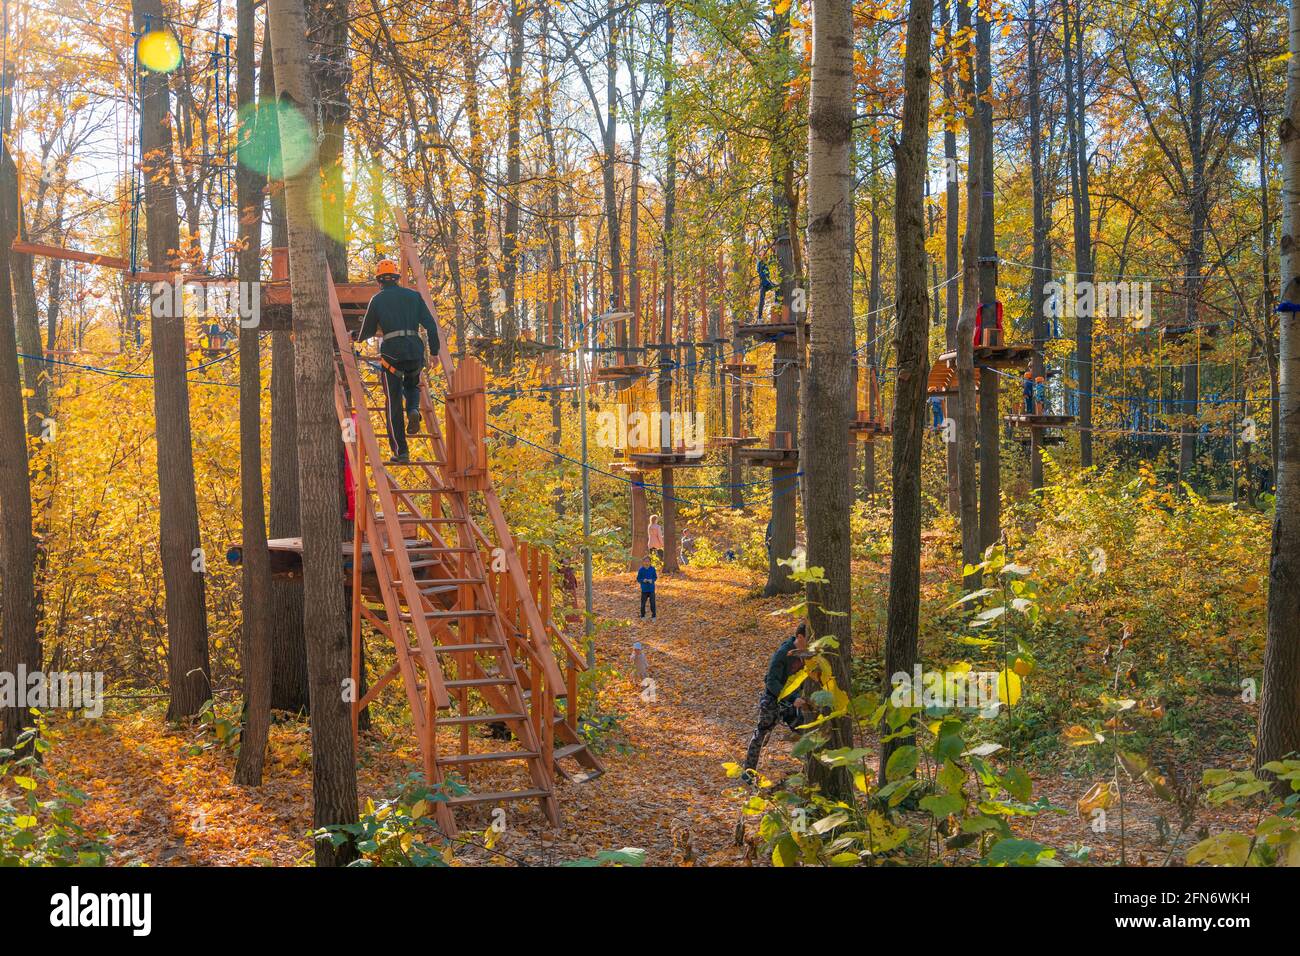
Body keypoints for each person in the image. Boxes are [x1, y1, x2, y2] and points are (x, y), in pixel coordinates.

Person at [355, 258, 440, 464]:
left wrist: (353, 336)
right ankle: (413, 409)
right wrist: (434, 352)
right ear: (397, 278)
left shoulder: (378, 300)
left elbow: (366, 331)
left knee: (393, 404)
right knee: (412, 385)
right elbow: (431, 325)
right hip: (415, 351)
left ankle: (401, 452)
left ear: (380, 281)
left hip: (392, 354)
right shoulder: (414, 296)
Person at [742, 623, 810, 778]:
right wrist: (792, 698)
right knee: (761, 734)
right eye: (808, 638)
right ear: (799, 637)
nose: (811, 643)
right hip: (772, 700)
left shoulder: (807, 656)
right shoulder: (783, 653)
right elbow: (771, 681)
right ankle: (748, 773)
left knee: (806, 732)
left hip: (792, 705)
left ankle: (809, 772)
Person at [636, 554, 658, 619]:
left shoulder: (652, 569)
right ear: (643, 562)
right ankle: (642, 615)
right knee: (643, 604)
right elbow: (638, 579)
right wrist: (643, 580)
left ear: (650, 562)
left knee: (652, 603)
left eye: (648, 561)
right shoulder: (641, 570)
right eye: (645, 561)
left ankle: (653, 615)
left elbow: (655, 577)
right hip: (644, 590)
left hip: (651, 589)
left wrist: (652, 580)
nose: (647, 562)